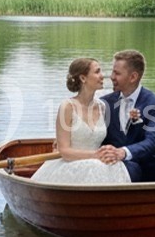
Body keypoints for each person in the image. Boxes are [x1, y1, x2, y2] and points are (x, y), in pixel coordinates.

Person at [31, 57, 132, 186]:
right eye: (97, 72)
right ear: (83, 78)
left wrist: (110, 152)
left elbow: (109, 140)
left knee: (115, 164)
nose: (102, 76)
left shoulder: (102, 107)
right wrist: (95, 155)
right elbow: (64, 151)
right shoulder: (67, 107)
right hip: (70, 164)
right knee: (95, 167)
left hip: (98, 163)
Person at [98, 49, 155, 182]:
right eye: (112, 72)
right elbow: (98, 136)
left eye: (117, 73)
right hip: (121, 166)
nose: (111, 77)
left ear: (133, 77)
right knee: (128, 168)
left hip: (151, 165)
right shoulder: (105, 102)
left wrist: (123, 152)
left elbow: (153, 141)